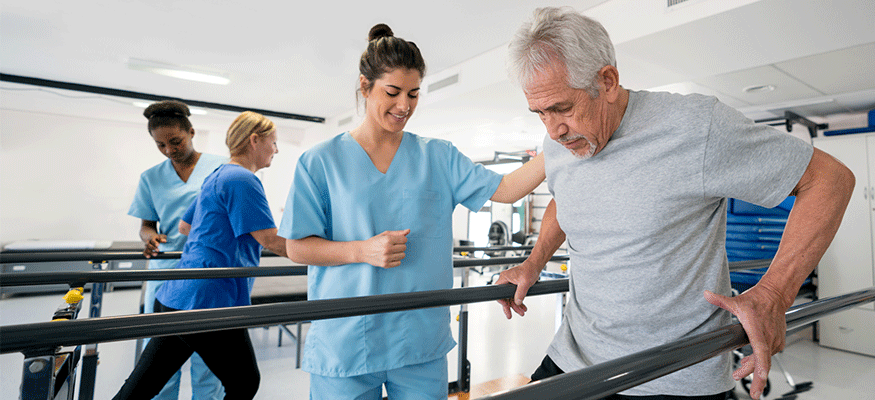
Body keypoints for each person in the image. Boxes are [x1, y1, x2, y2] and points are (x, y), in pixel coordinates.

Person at [495, 7, 855, 400]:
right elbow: (567, 200)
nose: (553, 129)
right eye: (540, 113)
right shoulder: (561, 141)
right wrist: (534, 262)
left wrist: (774, 294)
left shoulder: (695, 127)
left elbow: (829, 181)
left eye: (563, 108)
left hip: (673, 374)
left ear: (608, 81)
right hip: (574, 358)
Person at [278, 24, 545, 400]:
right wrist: (361, 250)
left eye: (414, 94)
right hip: (347, 339)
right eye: (392, 92)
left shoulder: (438, 156)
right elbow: (297, 247)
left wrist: (560, 143)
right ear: (364, 86)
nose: (404, 105)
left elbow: (506, 188)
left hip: (418, 338)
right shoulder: (320, 162)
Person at [114, 111, 288, 400]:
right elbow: (273, 241)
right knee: (245, 382)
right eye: (274, 142)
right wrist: (332, 255)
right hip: (209, 299)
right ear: (255, 140)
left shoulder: (217, 175)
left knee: (142, 387)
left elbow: (185, 225)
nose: (277, 149)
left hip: (178, 295)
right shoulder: (243, 179)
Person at [127, 100, 226, 400]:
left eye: (176, 141)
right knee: (161, 364)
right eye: (160, 145)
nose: (169, 149)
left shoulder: (221, 168)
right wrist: (149, 236)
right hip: (165, 273)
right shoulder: (150, 178)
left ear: (192, 132)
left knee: (208, 363)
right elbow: (146, 224)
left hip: (206, 273)